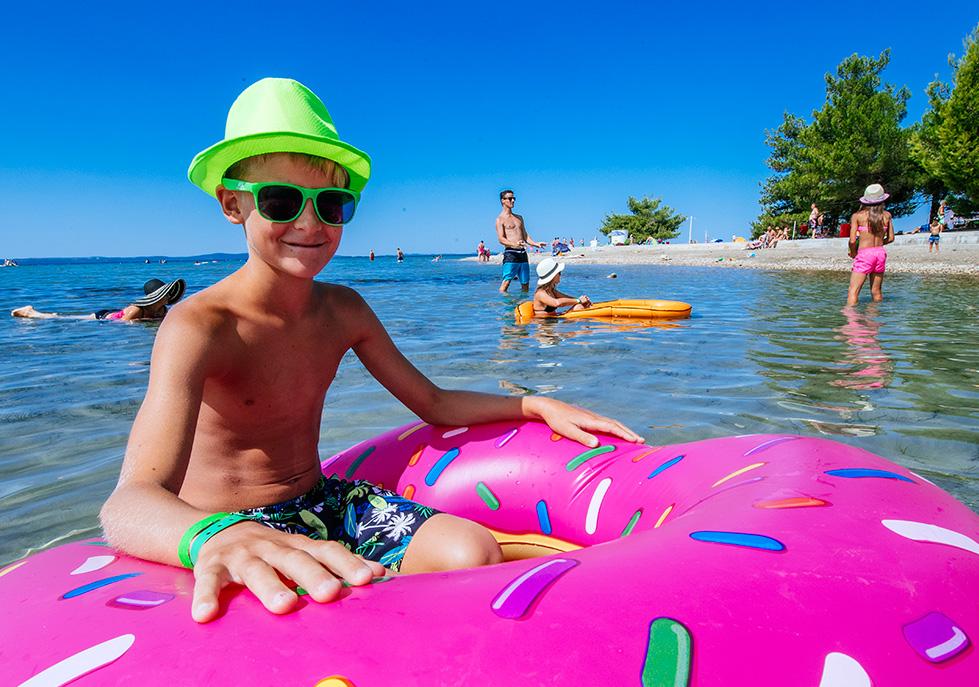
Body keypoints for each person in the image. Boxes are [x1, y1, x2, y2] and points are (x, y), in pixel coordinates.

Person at [98, 78, 643, 624]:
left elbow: (432, 402)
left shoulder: (344, 311)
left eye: (332, 204)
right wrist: (209, 540)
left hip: (326, 503)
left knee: (471, 551)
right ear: (232, 204)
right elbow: (130, 501)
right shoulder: (199, 326)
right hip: (230, 525)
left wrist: (533, 405)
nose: (310, 223)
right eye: (281, 201)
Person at [11, 278, 186, 321]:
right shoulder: (136, 310)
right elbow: (120, 324)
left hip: (111, 315)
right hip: (102, 317)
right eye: (166, 293)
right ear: (157, 296)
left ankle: (35, 313)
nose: (170, 297)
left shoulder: (163, 310)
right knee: (63, 319)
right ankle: (31, 312)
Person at [846, 184, 895, 305]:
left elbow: (852, 241)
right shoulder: (887, 215)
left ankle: (851, 321)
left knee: (853, 291)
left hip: (864, 254)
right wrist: (878, 245)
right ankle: (874, 321)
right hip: (880, 253)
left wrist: (853, 252)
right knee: (876, 292)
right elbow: (891, 238)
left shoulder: (857, 216)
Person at [495, 190, 546, 292]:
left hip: (522, 253)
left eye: (514, 198)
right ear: (503, 200)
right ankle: (502, 306)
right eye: (510, 198)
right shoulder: (500, 220)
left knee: (525, 283)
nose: (513, 200)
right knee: (506, 282)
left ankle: (523, 303)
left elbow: (525, 235)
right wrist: (515, 243)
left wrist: (535, 244)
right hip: (511, 254)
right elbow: (501, 239)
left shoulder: (519, 218)